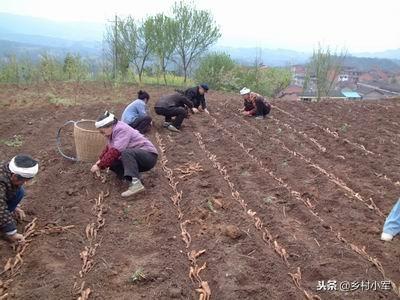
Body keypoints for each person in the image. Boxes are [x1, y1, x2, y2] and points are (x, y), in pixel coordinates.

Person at [90, 111, 158, 197]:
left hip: (149, 156)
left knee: (125, 153)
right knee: (112, 161)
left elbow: (115, 151)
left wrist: (99, 165)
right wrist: (99, 161)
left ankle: (136, 184)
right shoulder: (112, 132)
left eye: (102, 132)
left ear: (109, 126)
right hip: (139, 157)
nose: (102, 135)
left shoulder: (121, 129)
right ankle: (128, 179)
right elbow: (108, 149)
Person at [0, 155, 39, 243]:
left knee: (19, 191)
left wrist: (15, 207)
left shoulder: (8, 169)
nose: (25, 183)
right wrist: (12, 233)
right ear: (14, 176)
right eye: (24, 180)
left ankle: (5, 219)